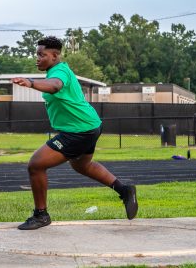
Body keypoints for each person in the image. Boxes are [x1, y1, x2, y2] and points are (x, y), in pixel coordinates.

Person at [11, 36, 138, 230]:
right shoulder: (57, 70)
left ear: (54, 56)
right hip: (90, 125)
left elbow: (55, 86)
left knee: (36, 165)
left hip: (78, 131)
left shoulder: (59, 71)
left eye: (41, 55)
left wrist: (30, 82)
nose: (37, 58)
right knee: (82, 165)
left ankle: (41, 215)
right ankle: (124, 190)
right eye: (36, 54)